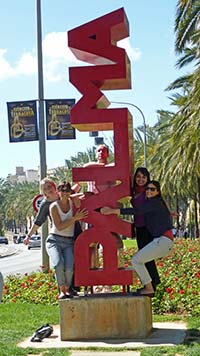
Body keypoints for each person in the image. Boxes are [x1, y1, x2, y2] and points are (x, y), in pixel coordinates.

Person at [101, 180, 174, 297]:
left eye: (152, 189)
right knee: (139, 260)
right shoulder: (156, 203)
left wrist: (112, 211)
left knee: (136, 260)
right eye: (147, 189)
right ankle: (149, 286)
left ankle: (149, 288)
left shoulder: (154, 203)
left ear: (157, 192)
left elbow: (137, 211)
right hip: (162, 241)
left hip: (163, 241)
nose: (149, 191)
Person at [84, 144, 123, 292]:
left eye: (104, 151)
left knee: (113, 244)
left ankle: (109, 282)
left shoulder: (111, 170)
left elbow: (117, 168)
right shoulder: (91, 168)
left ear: (108, 154)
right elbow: (86, 165)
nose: (101, 153)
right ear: (95, 153)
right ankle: (93, 282)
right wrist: (101, 166)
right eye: (99, 151)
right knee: (91, 245)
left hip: (106, 211)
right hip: (92, 211)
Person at [46, 181, 88, 299]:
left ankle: (67, 289)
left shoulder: (72, 202)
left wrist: (77, 197)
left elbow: (85, 195)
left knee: (69, 267)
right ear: (58, 192)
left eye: (67, 190)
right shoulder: (54, 206)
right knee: (58, 264)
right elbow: (59, 226)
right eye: (62, 190)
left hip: (69, 241)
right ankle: (62, 290)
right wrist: (75, 218)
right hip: (55, 240)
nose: (65, 193)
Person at [131, 167, 160, 290]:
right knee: (144, 256)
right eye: (138, 176)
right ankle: (151, 283)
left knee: (145, 256)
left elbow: (160, 200)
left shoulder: (148, 191)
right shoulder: (133, 191)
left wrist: (169, 212)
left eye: (144, 177)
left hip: (147, 227)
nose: (141, 179)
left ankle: (152, 283)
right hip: (139, 227)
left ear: (147, 178)